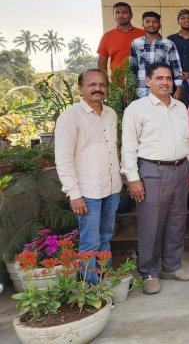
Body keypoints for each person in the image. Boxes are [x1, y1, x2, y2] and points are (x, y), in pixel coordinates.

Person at [121, 62, 189, 294]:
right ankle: (149, 272)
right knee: (151, 224)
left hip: (180, 168)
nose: (165, 82)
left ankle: (171, 266)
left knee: (176, 221)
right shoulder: (137, 108)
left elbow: (186, 142)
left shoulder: (180, 107)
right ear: (148, 81)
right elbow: (128, 146)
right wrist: (133, 179)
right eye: (159, 78)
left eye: (168, 78)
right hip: (152, 171)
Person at [55, 69, 122, 283]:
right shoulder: (69, 117)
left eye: (102, 84)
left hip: (112, 188)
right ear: (80, 88)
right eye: (92, 84)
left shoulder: (111, 113)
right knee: (90, 242)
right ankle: (92, 289)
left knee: (106, 238)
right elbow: (63, 159)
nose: (98, 88)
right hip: (87, 192)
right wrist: (74, 194)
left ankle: (105, 279)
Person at [130, 11, 183, 98]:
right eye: (147, 21)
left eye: (155, 22)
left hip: (163, 88)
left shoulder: (168, 43)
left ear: (159, 24)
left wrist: (179, 87)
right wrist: (130, 87)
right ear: (142, 23)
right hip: (142, 90)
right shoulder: (136, 43)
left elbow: (176, 67)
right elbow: (132, 67)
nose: (151, 24)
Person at [97, 2, 145, 74]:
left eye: (124, 12)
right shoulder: (107, 37)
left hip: (142, 82)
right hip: (117, 82)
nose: (121, 15)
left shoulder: (144, 34)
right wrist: (102, 82)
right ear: (113, 15)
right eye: (117, 12)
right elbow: (102, 62)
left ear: (131, 15)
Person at [167, 9, 189, 79]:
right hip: (174, 80)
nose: (186, 20)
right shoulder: (171, 39)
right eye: (183, 18)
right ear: (178, 21)